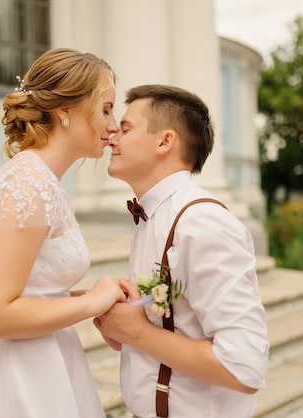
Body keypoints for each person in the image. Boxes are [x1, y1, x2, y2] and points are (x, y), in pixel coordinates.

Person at [0, 48, 126, 418]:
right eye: (105, 109)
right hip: (13, 375)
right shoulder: (28, 182)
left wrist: (101, 298)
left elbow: (33, 289)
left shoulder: (43, 181)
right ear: (65, 111)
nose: (113, 124)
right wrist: (88, 304)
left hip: (44, 359)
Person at [94, 84, 269, 417]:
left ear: (165, 141)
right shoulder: (155, 216)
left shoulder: (202, 223)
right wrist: (120, 323)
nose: (111, 135)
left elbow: (243, 366)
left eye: (126, 128)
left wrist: (138, 332)